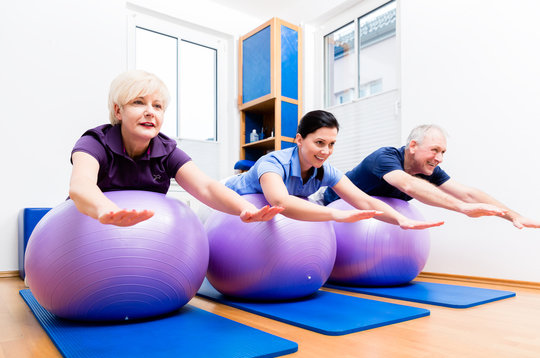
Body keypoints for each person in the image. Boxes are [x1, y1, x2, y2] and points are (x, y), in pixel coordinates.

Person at [69, 70, 283, 227]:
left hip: (139, 237)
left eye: (158, 106)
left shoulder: (166, 151)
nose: (150, 112)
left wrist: (246, 209)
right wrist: (106, 209)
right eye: (138, 102)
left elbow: (206, 187)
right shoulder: (95, 141)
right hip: (90, 230)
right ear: (118, 111)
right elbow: (81, 184)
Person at [225, 110, 444, 229]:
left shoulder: (325, 170)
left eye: (332, 144)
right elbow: (281, 202)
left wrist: (400, 219)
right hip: (230, 199)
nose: (326, 151)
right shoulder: (272, 163)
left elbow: (364, 200)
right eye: (319, 143)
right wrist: (336, 214)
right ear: (299, 140)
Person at [323, 124, 540, 229]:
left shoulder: (428, 170)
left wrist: (513, 216)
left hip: (372, 223)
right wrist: (460, 208)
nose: (439, 158)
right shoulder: (385, 157)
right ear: (414, 146)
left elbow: (468, 193)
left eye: (443, 152)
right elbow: (407, 185)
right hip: (330, 210)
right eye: (435, 150)